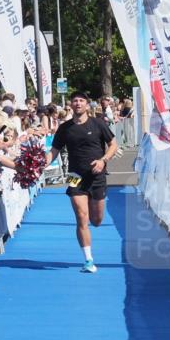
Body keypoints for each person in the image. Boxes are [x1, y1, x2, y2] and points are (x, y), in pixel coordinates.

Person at [46, 91, 118, 273]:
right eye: (75, 101)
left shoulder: (98, 123)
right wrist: (40, 164)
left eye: (81, 100)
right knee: (81, 216)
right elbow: (54, 151)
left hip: (97, 176)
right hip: (74, 176)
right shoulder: (65, 128)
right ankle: (88, 260)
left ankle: (92, 234)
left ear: (87, 104)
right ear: (71, 105)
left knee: (97, 220)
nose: (78, 103)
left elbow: (113, 144)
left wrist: (103, 161)